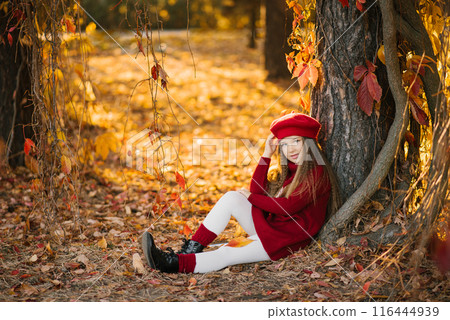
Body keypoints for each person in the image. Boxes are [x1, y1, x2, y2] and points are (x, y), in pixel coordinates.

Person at [142, 112, 341, 273]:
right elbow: (256, 191)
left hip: (286, 240)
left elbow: (288, 207)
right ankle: (189, 250)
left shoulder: (317, 172)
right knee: (231, 198)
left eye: (296, 141)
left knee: (227, 252)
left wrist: (252, 197)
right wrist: (266, 155)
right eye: (285, 144)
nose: (291, 149)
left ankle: (170, 264)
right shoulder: (290, 169)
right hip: (273, 228)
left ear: (308, 143)